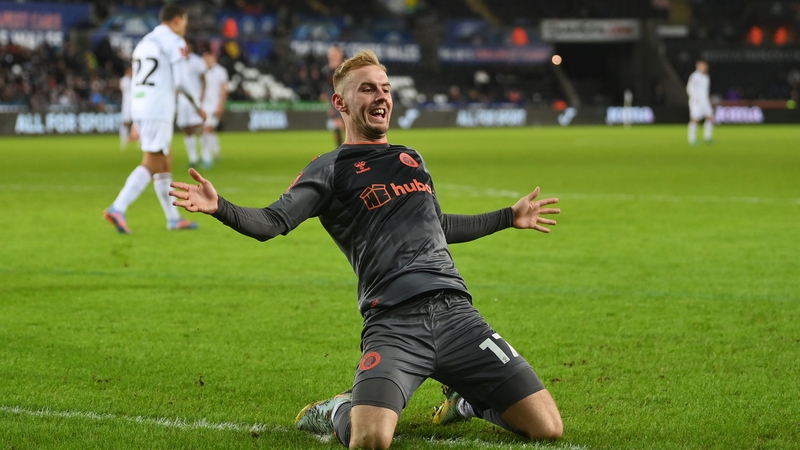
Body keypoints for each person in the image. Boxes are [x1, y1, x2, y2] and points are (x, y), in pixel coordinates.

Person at [169, 50, 563, 449]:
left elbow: (437, 226)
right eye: (368, 89)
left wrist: (507, 216)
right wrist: (220, 207)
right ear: (340, 102)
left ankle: (467, 400)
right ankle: (339, 409)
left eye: (386, 89)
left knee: (548, 428)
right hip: (394, 323)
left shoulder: (410, 158)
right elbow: (273, 222)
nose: (381, 97)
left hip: (457, 314)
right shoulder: (329, 168)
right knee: (370, 440)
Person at [103, 5, 205, 234]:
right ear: (178, 20)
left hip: (140, 105)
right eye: (185, 23)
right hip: (158, 108)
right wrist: (199, 106)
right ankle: (118, 207)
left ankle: (173, 219)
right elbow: (180, 81)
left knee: (165, 161)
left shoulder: (144, 42)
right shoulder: (174, 41)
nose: (185, 28)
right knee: (153, 161)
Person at [176, 39, 207, 168]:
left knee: (199, 128)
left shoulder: (198, 62)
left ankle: (206, 157)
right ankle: (193, 158)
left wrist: (202, 96)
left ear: (191, 46)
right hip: (182, 100)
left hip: (195, 99)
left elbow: (204, 80)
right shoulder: (177, 61)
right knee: (187, 129)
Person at [200, 50, 229, 166]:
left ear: (214, 58)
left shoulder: (221, 71)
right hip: (202, 105)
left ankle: (206, 158)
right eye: (205, 58)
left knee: (207, 129)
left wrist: (220, 105)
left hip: (214, 105)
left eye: (209, 57)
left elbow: (224, 90)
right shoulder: (201, 71)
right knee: (209, 130)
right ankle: (216, 153)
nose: (207, 60)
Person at [322, 45, 345, 147]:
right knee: (338, 125)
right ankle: (340, 149)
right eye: (331, 55)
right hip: (334, 102)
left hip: (347, 101)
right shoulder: (326, 71)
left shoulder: (346, 69)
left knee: (347, 127)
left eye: (335, 54)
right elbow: (326, 87)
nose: (333, 56)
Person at [686, 60, 714, 145]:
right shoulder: (695, 76)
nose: (705, 67)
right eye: (703, 65)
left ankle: (707, 137)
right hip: (696, 101)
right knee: (695, 119)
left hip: (705, 101)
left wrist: (707, 100)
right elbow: (689, 87)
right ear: (698, 66)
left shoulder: (706, 77)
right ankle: (692, 139)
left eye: (705, 66)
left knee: (710, 117)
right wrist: (694, 98)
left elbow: (705, 91)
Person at [119, 65, 134, 149]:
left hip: (135, 104)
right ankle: (123, 142)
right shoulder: (124, 80)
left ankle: (140, 143)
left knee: (139, 123)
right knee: (126, 123)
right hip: (127, 105)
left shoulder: (136, 78)